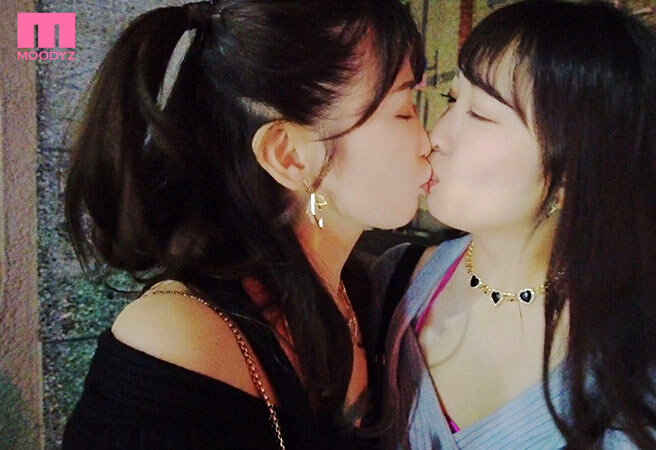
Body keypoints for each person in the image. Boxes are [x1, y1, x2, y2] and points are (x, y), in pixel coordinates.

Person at [369, 1, 656, 448]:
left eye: (481, 115)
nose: (436, 136)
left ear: (576, 168)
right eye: (453, 100)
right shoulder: (396, 281)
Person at [61, 0, 432, 448]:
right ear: (290, 156)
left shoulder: (363, 292)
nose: (429, 141)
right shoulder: (180, 342)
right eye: (404, 109)